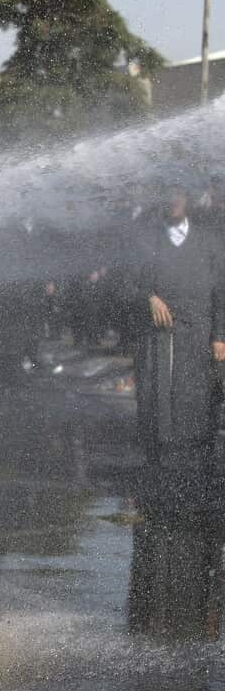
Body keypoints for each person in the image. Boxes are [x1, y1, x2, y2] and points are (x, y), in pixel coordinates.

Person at [125, 180, 225, 640]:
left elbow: (222, 289)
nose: (174, 201)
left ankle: (192, 491)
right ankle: (161, 491)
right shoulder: (144, 237)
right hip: (157, 341)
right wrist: (146, 295)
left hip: (198, 336)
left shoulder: (210, 239)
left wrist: (220, 337)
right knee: (158, 418)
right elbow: (124, 281)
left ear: (189, 201)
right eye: (168, 194)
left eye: (180, 194)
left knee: (195, 414)